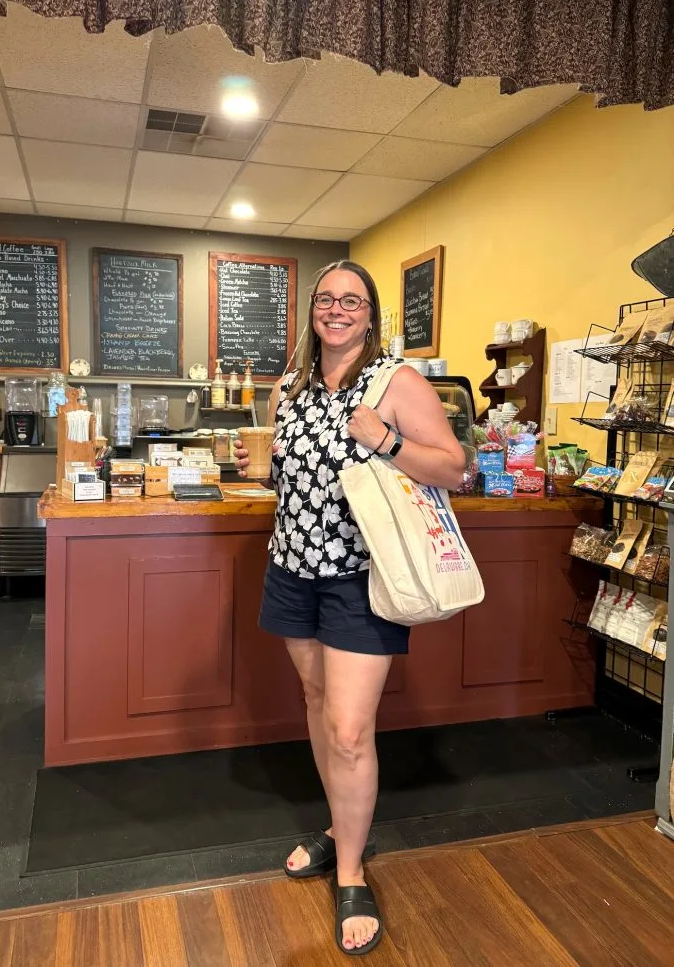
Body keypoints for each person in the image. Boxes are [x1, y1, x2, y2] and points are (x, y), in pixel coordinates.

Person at [235, 260, 465, 956]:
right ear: (313, 309)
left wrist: (386, 439)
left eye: (351, 301)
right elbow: (281, 472)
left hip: (364, 578)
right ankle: (339, 827)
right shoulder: (290, 384)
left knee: (347, 730)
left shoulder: (395, 381)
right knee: (313, 698)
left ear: (369, 315)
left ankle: (353, 873)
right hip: (291, 569)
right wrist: (260, 464)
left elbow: (454, 467)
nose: (336, 310)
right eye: (326, 299)